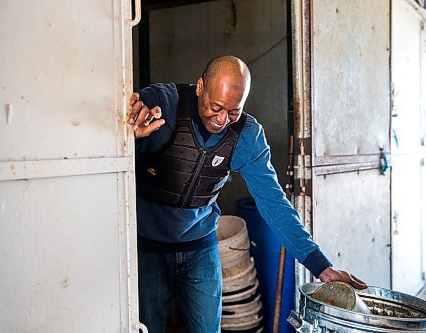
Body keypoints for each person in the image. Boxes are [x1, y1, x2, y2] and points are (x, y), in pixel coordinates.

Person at [128, 55, 367, 333]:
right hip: (147, 247)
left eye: (233, 112)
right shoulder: (165, 105)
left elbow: (274, 203)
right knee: (147, 327)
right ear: (200, 86)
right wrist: (131, 122)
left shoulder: (247, 136)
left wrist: (320, 266)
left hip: (199, 247)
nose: (221, 119)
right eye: (215, 106)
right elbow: (128, 126)